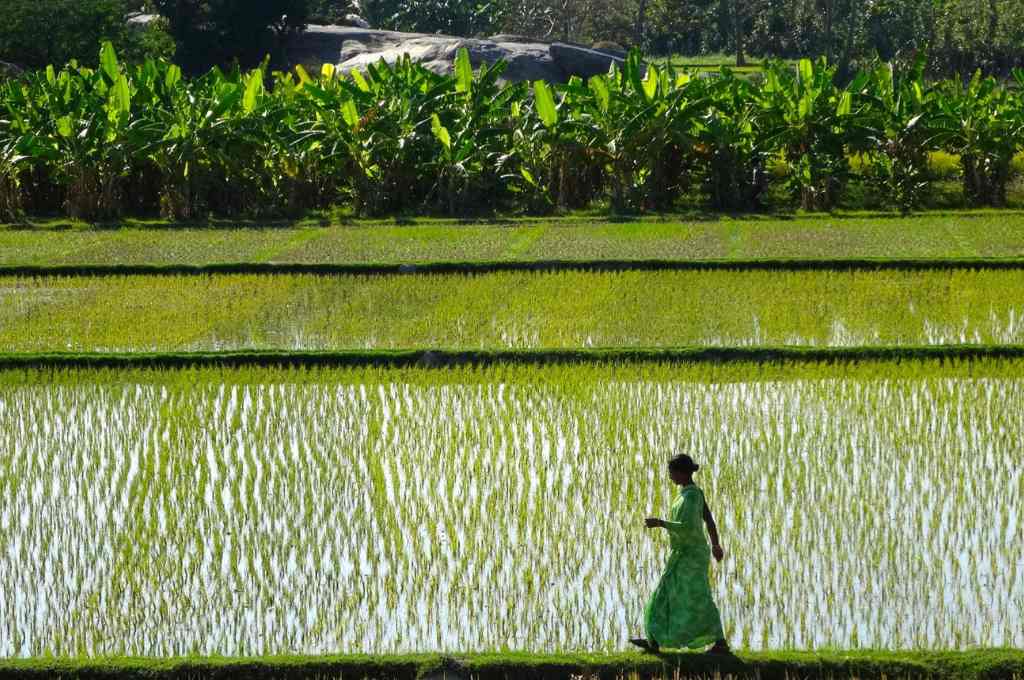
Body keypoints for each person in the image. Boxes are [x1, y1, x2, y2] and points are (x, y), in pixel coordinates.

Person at [630, 453, 730, 655]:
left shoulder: (693, 496)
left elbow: (688, 526)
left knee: (698, 597)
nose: (670, 476)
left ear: (683, 473)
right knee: (666, 593)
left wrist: (661, 523)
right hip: (683, 553)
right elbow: (708, 521)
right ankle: (654, 639)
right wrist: (715, 544)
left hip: (691, 556)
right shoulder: (688, 493)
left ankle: (719, 642)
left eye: (672, 472)